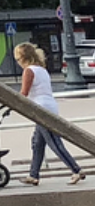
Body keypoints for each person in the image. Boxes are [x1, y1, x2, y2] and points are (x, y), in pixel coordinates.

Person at [16, 43, 86, 184]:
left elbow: (24, 93)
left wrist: (12, 102)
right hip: (49, 106)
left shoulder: (29, 71)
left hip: (41, 110)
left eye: (18, 58)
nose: (17, 62)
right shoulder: (42, 69)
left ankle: (76, 170)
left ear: (23, 58)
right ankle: (33, 175)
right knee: (37, 143)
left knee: (54, 142)